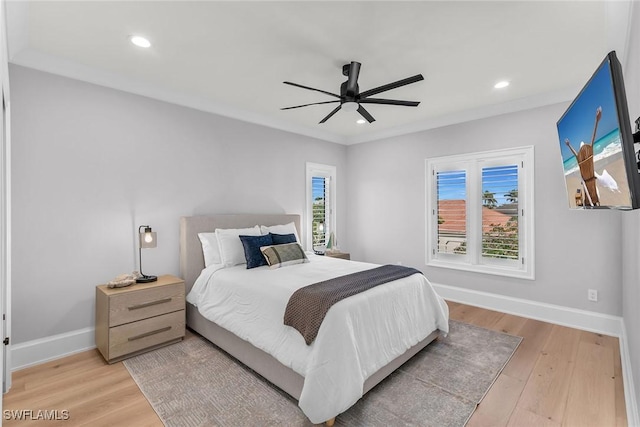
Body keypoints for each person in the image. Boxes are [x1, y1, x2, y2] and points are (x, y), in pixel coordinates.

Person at [565, 106, 602, 206]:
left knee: (586, 196)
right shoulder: (589, 152)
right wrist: (596, 121)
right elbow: (593, 138)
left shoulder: (579, 158)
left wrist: (569, 145)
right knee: (595, 194)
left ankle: (588, 203)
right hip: (591, 182)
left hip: (586, 185)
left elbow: (574, 152)